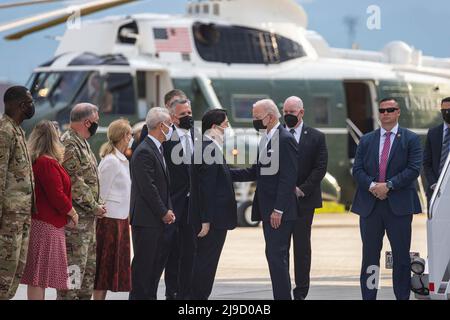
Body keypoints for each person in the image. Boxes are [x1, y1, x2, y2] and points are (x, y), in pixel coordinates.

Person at [351, 98, 422, 300]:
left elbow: (414, 169)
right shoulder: (366, 140)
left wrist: (389, 185)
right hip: (370, 206)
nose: (385, 113)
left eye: (390, 110)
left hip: (398, 207)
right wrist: (373, 186)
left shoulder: (411, 139)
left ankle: (401, 296)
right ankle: (369, 296)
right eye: (382, 110)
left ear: (398, 112)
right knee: (370, 257)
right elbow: (358, 170)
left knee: (401, 257)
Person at [230, 99, 299, 300]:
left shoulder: (284, 139)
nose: (254, 121)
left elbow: (288, 178)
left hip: (279, 212)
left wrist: (278, 209)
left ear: (270, 117)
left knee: (277, 257)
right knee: (275, 257)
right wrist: (226, 173)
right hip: (269, 210)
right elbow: (256, 171)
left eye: (256, 117)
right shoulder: (267, 138)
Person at [21, 120, 78, 300]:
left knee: (40, 277)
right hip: (46, 225)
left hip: (45, 224)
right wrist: (72, 212)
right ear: (52, 138)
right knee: (38, 278)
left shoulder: (43, 160)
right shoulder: (46, 163)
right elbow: (56, 195)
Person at [57, 103, 107, 300]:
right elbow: (74, 182)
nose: (96, 126)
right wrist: (95, 206)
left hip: (88, 223)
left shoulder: (82, 142)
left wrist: (98, 203)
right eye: (95, 122)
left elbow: (91, 179)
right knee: (72, 283)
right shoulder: (69, 143)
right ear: (87, 122)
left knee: (86, 281)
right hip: (75, 226)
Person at [282, 96, 328, 300]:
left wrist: (302, 189)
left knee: (302, 248)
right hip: (281, 201)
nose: (287, 115)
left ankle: (301, 292)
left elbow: (320, 167)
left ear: (301, 113)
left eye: (291, 112)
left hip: (304, 200)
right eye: (285, 112)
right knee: (280, 249)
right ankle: (282, 291)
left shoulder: (317, 136)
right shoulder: (276, 134)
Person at [189, 109, 237, 300]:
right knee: (206, 264)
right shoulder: (208, 148)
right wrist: (206, 220)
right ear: (214, 127)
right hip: (213, 220)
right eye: (225, 124)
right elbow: (206, 188)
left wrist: (255, 172)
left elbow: (222, 177)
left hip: (214, 218)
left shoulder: (210, 147)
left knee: (205, 263)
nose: (227, 129)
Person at [129, 107, 176, 300]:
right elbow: (149, 188)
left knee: (154, 273)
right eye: (170, 125)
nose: (172, 128)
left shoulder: (157, 148)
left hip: (156, 221)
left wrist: (168, 210)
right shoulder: (144, 152)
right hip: (147, 221)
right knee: (143, 272)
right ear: (161, 126)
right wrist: (164, 211)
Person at [0, 86, 36, 299]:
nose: (31, 106)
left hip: (21, 216)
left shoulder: (17, 130)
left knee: (15, 273)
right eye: (29, 102)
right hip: (8, 218)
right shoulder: (4, 131)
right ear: (18, 105)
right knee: (4, 273)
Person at [162, 97, 198, 300]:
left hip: (192, 205)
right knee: (173, 252)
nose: (188, 117)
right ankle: (172, 293)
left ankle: (186, 294)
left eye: (190, 113)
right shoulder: (166, 138)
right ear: (173, 118)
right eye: (183, 114)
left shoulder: (196, 136)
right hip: (173, 204)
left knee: (190, 251)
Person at [93, 119, 133, 300]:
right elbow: (101, 192)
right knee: (104, 270)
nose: (132, 137)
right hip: (109, 221)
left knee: (110, 271)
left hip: (120, 220)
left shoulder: (121, 160)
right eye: (130, 134)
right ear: (124, 137)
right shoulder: (111, 161)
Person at [423, 97, 450, 206]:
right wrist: (434, 184)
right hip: (435, 191)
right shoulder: (433, 133)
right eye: (444, 111)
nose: (447, 113)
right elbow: (427, 163)